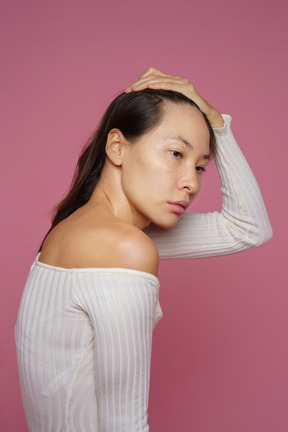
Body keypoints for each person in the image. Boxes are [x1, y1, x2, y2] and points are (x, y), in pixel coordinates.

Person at [15, 67, 273, 432]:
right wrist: (217, 125)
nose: (191, 183)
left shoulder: (78, 229)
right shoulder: (123, 247)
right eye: (175, 153)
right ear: (117, 147)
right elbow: (124, 425)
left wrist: (218, 124)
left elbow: (248, 229)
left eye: (200, 167)